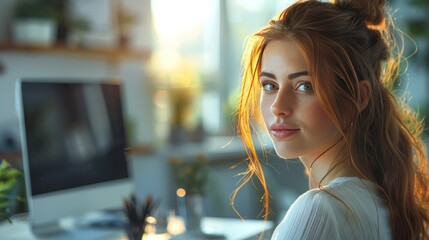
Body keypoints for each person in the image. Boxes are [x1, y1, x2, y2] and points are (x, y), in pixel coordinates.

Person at [233, 0, 429, 239]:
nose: (278, 106)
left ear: (357, 97)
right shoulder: (379, 200)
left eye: (304, 86)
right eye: (269, 85)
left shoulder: (318, 210)